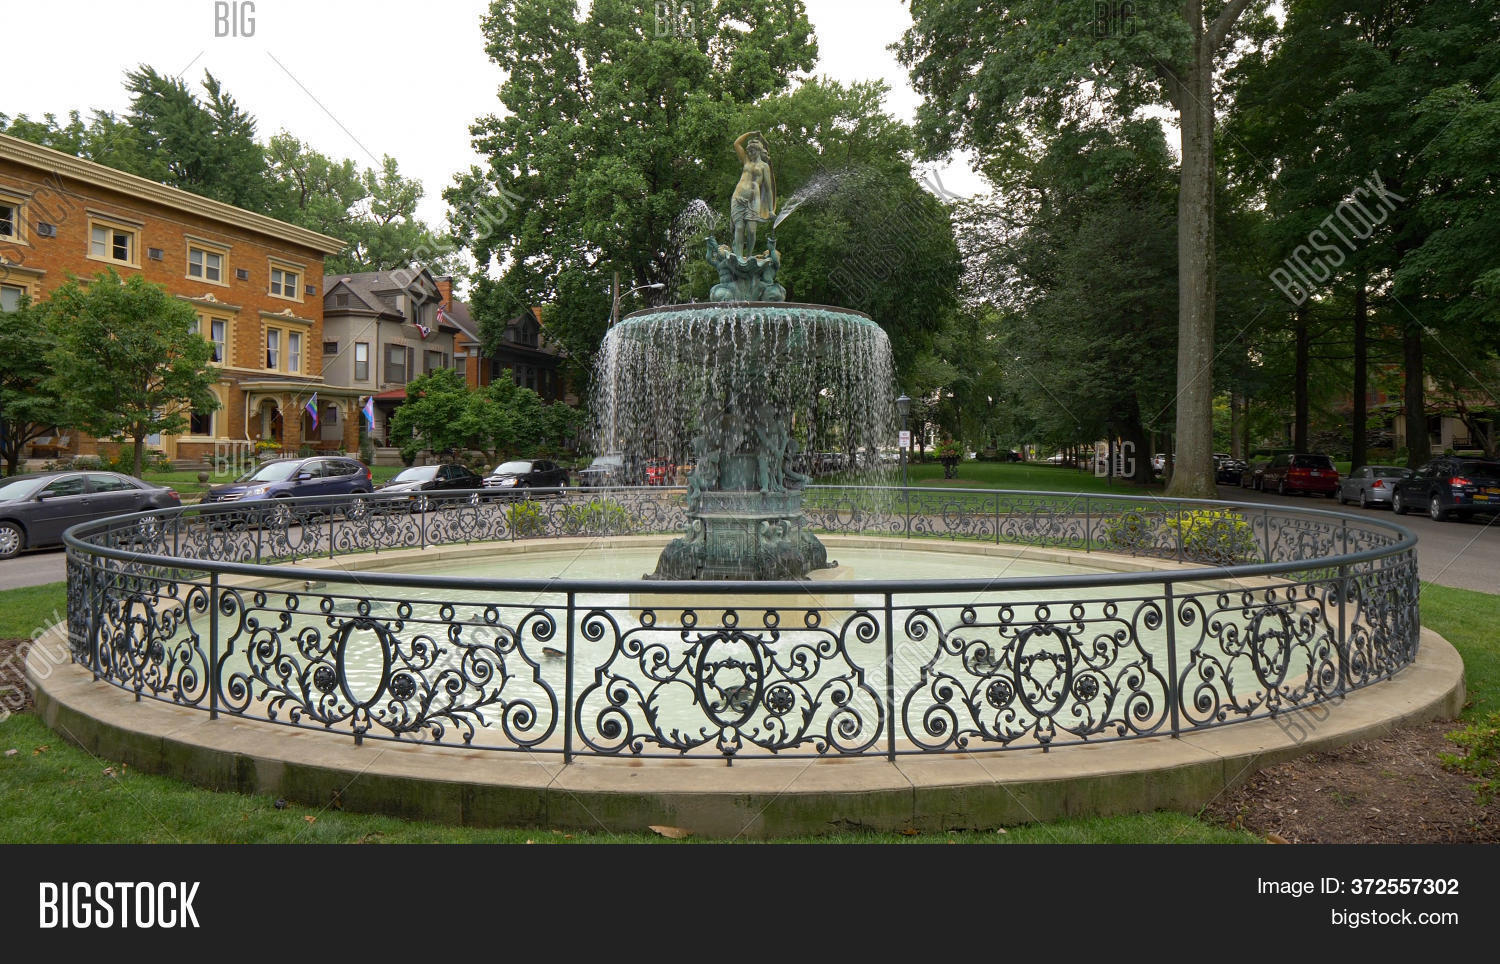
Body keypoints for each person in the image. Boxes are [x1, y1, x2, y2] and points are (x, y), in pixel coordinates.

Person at [730, 131, 776, 259]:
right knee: (739, 228)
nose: (750, 153)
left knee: (751, 230)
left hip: (753, 200)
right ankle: (739, 258)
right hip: (738, 197)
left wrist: (771, 210)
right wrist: (750, 134)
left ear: (759, 150)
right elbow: (736, 143)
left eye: (753, 151)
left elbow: (768, 189)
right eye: (749, 151)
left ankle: (749, 256)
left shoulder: (764, 166)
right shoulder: (746, 161)